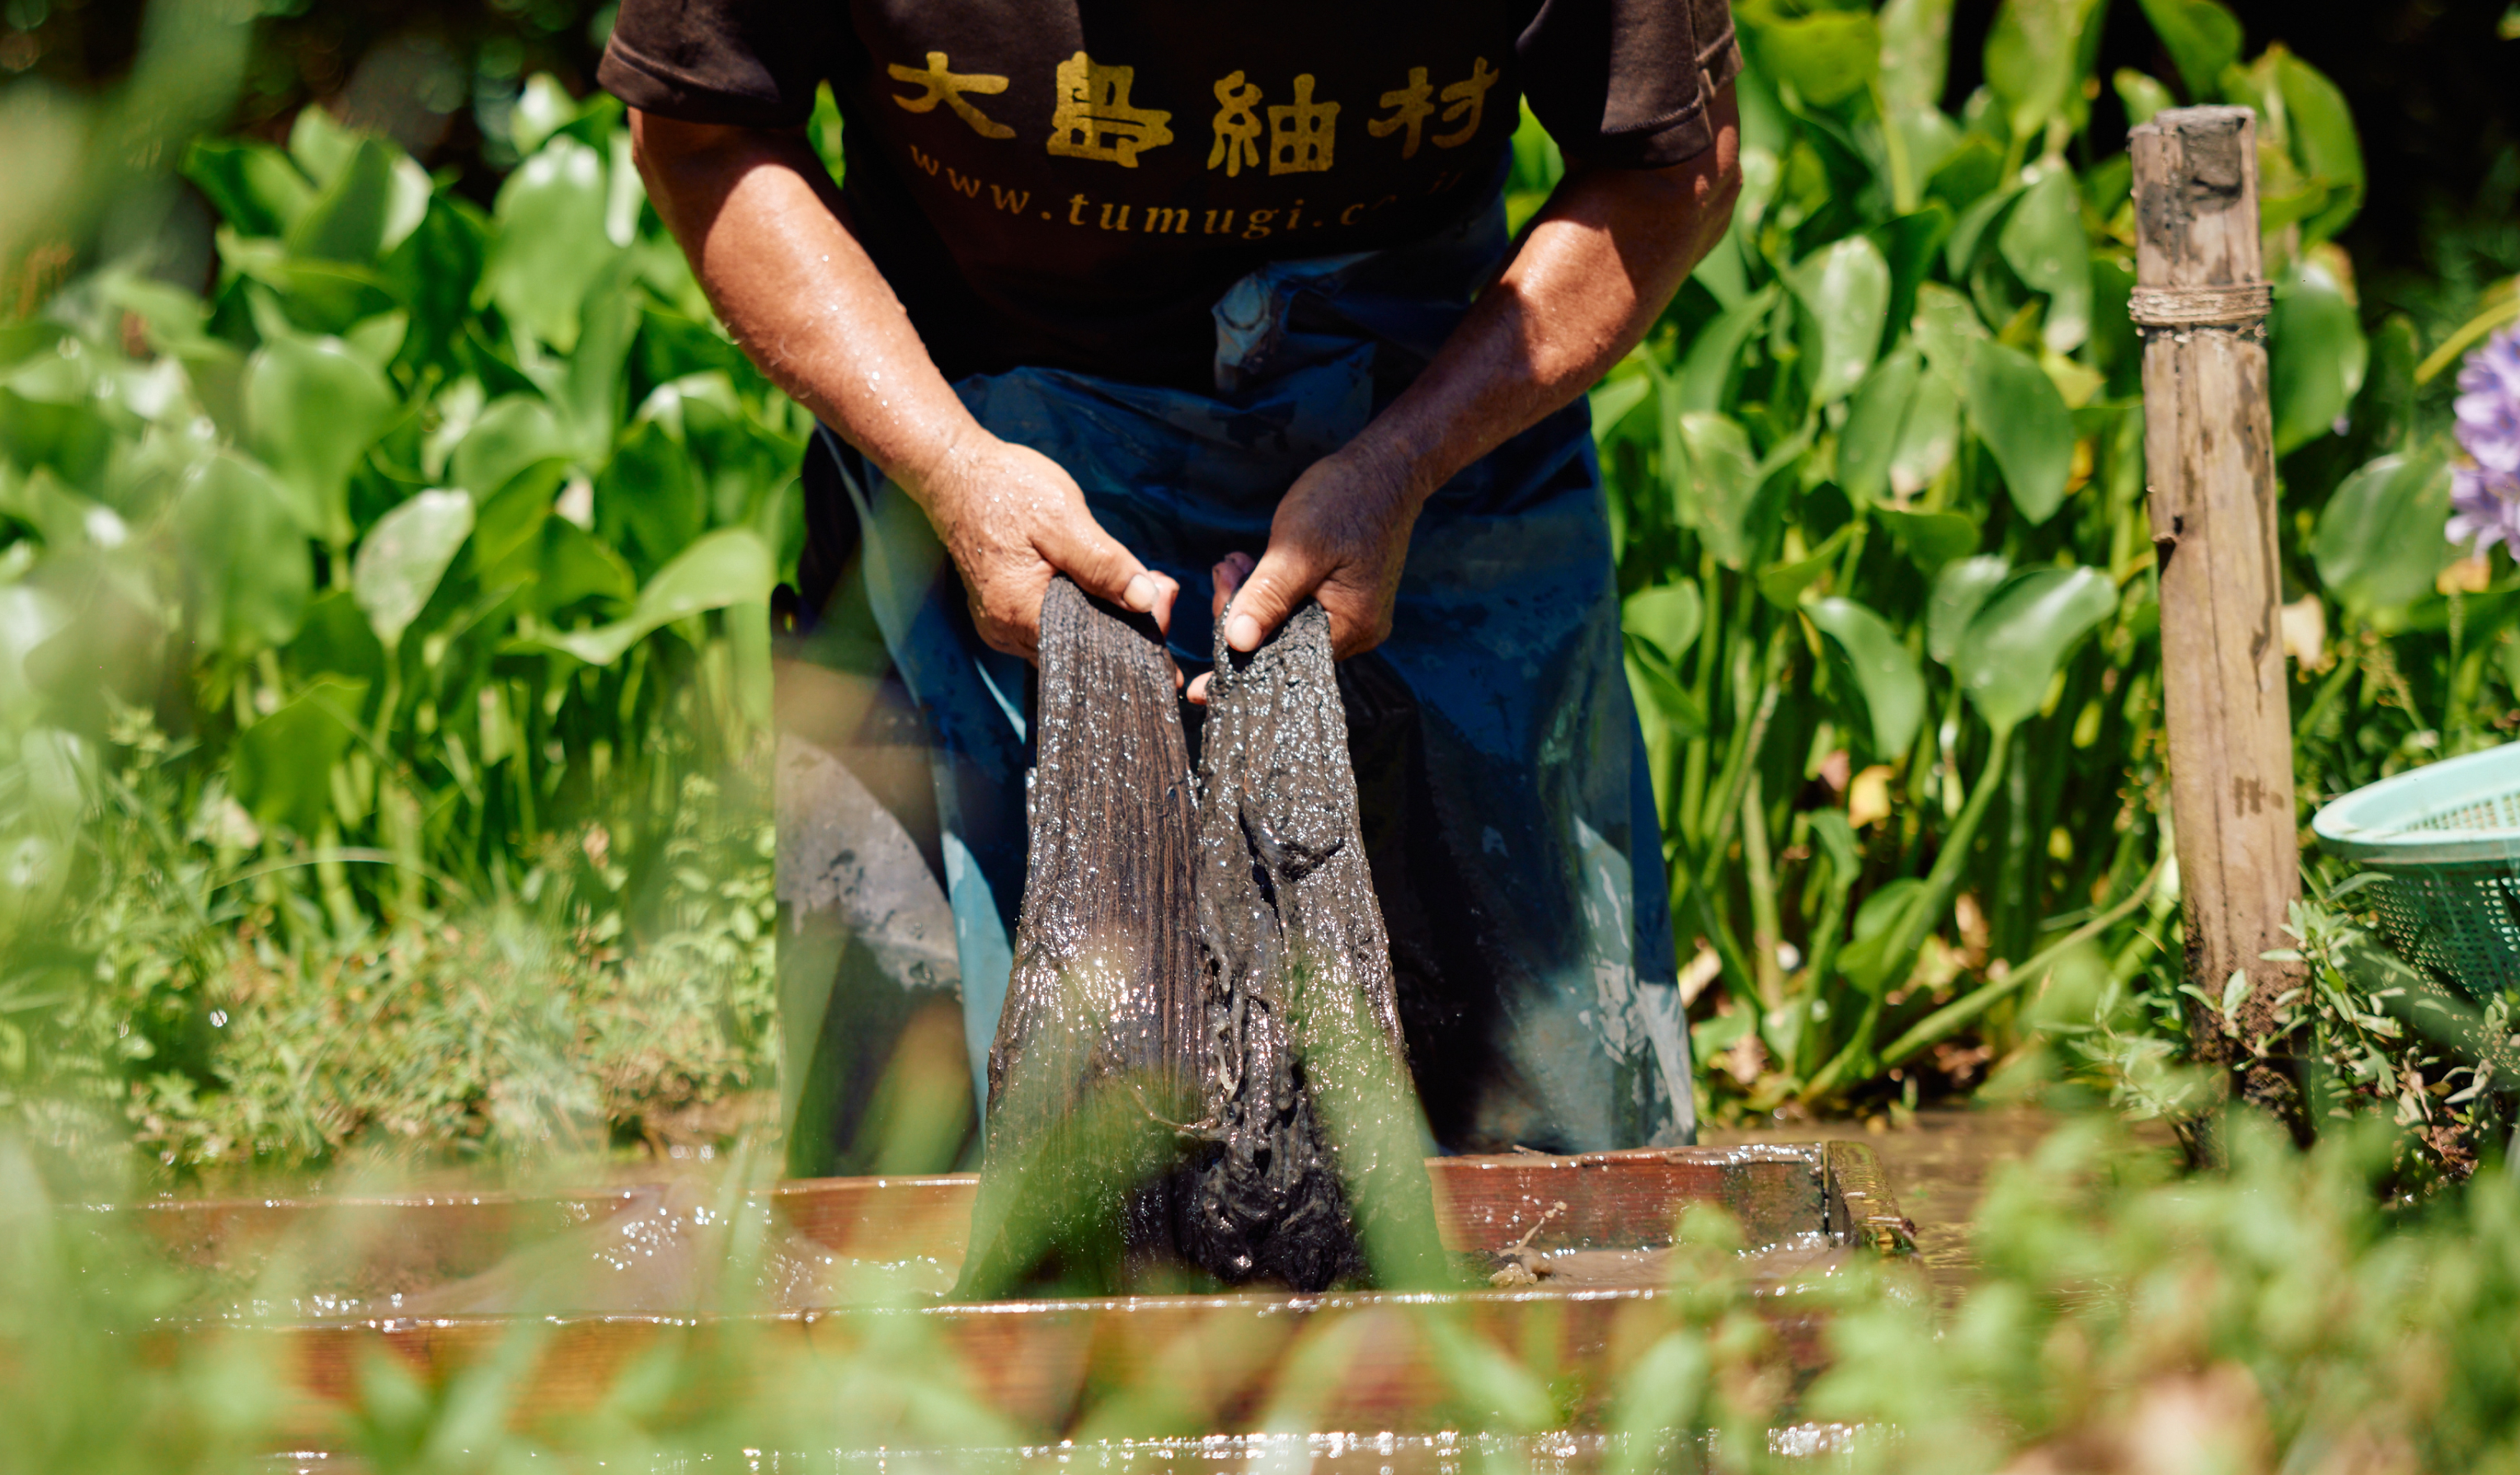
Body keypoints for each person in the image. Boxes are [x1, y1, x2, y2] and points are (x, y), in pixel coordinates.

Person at [605, 0, 1741, 1156]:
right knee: (921, 1188)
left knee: (1544, 1167)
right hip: (968, 433)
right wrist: (951, 467)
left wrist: (1407, 459)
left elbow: (1670, 167)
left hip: (1433, 424)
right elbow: (699, 131)